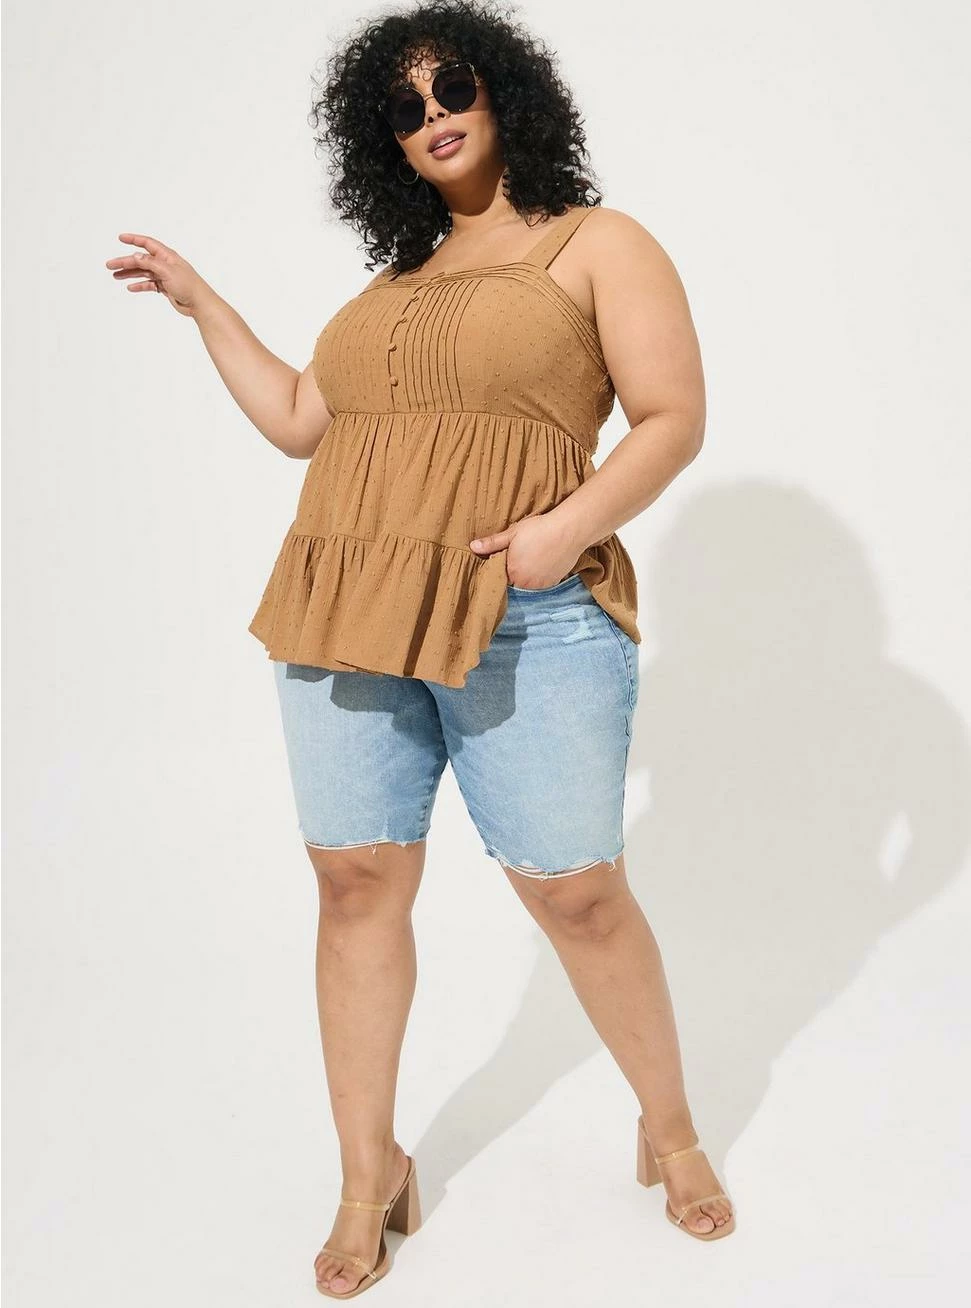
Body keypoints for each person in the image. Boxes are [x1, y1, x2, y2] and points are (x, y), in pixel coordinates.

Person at [104, 0, 736, 1294]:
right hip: (345, 611)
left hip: (525, 612)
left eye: (453, 87)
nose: (434, 114)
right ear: (381, 140)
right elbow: (299, 417)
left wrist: (563, 531)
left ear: (503, 93)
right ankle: (366, 1174)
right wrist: (201, 302)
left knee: (576, 894)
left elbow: (672, 415)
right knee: (353, 890)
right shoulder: (387, 293)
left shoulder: (595, 243)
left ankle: (668, 1128)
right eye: (404, 106)